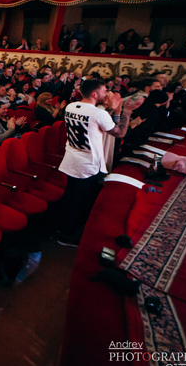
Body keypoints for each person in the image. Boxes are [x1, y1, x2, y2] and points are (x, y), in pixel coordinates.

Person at [56, 79, 143, 245]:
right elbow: (119, 133)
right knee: (81, 201)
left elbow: (100, 122)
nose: (106, 94)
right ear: (94, 94)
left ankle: (60, 228)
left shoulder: (70, 106)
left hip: (72, 159)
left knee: (70, 196)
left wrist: (114, 110)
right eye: (104, 91)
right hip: (88, 164)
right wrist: (127, 111)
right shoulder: (98, 113)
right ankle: (67, 236)